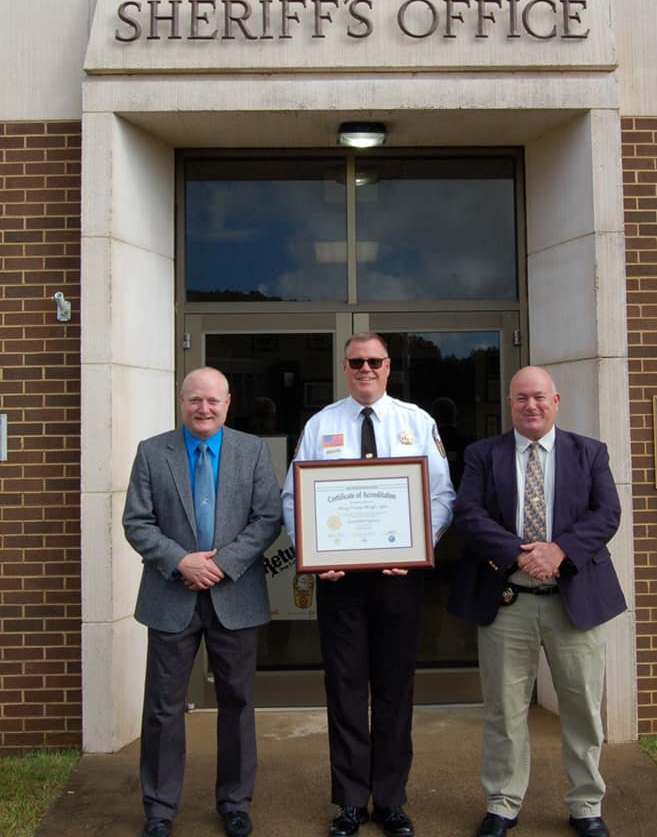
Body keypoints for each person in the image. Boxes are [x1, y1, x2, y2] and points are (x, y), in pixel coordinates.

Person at [281, 333, 454, 837]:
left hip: (399, 579)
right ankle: (351, 800)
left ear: (388, 366)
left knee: (396, 689)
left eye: (373, 361)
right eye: (356, 362)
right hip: (339, 582)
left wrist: (421, 545)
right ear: (345, 366)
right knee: (346, 689)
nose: (365, 369)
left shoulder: (415, 422)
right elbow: (294, 499)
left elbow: (442, 496)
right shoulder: (320, 424)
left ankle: (392, 800)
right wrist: (313, 557)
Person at [448, 365, 627, 837]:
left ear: (556, 400)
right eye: (522, 398)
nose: (531, 405)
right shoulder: (483, 454)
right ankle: (503, 803)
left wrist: (560, 551)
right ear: (510, 403)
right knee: (504, 709)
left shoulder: (589, 452)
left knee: (583, 708)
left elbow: (607, 512)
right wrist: (521, 554)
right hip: (509, 600)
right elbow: (467, 512)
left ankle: (586, 804)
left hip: (575, 600)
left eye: (540, 397)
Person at [123, 367, 282, 837]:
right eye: (195, 400)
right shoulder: (153, 453)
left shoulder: (252, 451)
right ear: (181, 401)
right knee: (163, 708)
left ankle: (234, 802)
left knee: (237, 703)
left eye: (213, 401)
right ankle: (158, 808)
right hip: (171, 596)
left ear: (228, 402)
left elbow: (267, 517)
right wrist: (181, 562)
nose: (204, 408)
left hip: (235, 596)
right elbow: (138, 522)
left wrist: (220, 564)